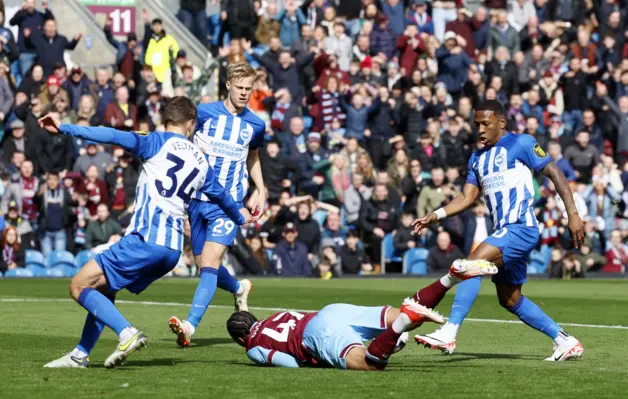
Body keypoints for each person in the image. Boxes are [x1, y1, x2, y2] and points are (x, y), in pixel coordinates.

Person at [40, 96, 252, 369]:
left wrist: (67, 128)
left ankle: (127, 332)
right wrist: (239, 217)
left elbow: (112, 135)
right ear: (191, 123)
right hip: (171, 251)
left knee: (78, 285)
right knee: (103, 288)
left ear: (165, 121)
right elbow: (223, 197)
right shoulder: (201, 162)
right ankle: (80, 354)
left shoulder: (155, 141)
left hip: (146, 239)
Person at [412, 100, 585, 361]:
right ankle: (564, 341)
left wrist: (572, 213)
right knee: (510, 299)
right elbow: (466, 198)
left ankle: (449, 331)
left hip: (521, 228)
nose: (480, 129)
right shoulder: (477, 158)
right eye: (477, 124)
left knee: (468, 266)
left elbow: (555, 173)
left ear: (501, 122)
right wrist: (435, 215)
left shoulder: (522, 143)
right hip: (505, 232)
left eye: (486, 123)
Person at [225, 261, 496, 370]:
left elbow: (290, 364)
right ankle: (450, 277)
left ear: (240, 340)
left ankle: (404, 323)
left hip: (317, 335)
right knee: (399, 310)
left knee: (371, 364)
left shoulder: (252, 347)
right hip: (330, 312)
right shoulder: (273, 316)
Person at [168, 62, 266, 348]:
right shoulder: (205, 113)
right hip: (197, 200)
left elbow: (253, 156)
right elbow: (180, 139)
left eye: (249, 89)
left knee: (210, 263)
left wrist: (260, 188)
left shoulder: (255, 124)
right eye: (240, 88)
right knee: (203, 267)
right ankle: (239, 287)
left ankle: (189, 326)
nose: (245, 93)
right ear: (228, 85)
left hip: (229, 204)